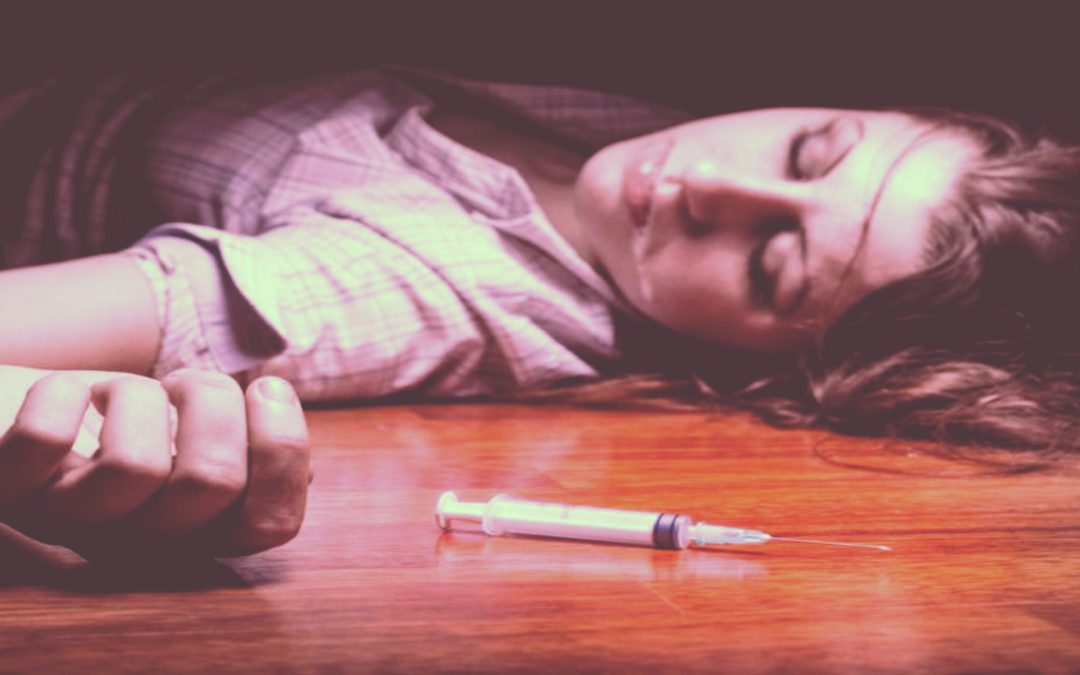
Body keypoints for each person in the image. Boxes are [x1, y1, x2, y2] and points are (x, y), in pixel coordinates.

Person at [0, 65, 1076, 561]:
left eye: (771, 263)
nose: (711, 183)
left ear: (777, 363)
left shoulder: (433, 291)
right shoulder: (630, 130)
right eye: (810, 150)